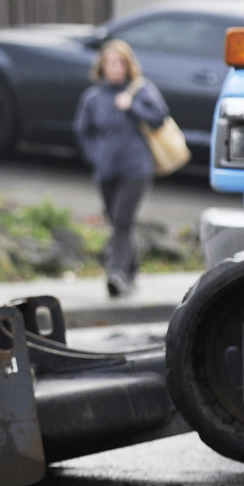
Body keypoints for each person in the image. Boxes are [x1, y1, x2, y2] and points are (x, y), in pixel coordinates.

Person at [73, 38, 169, 297]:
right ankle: (132, 268)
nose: (115, 68)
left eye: (120, 63)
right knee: (117, 221)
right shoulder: (92, 97)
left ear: (128, 66)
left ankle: (115, 274)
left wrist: (133, 107)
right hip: (106, 169)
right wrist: (95, 156)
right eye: (110, 63)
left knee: (122, 221)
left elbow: (160, 118)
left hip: (136, 168)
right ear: (102, 66)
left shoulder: (141, 90)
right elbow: (83, 131)